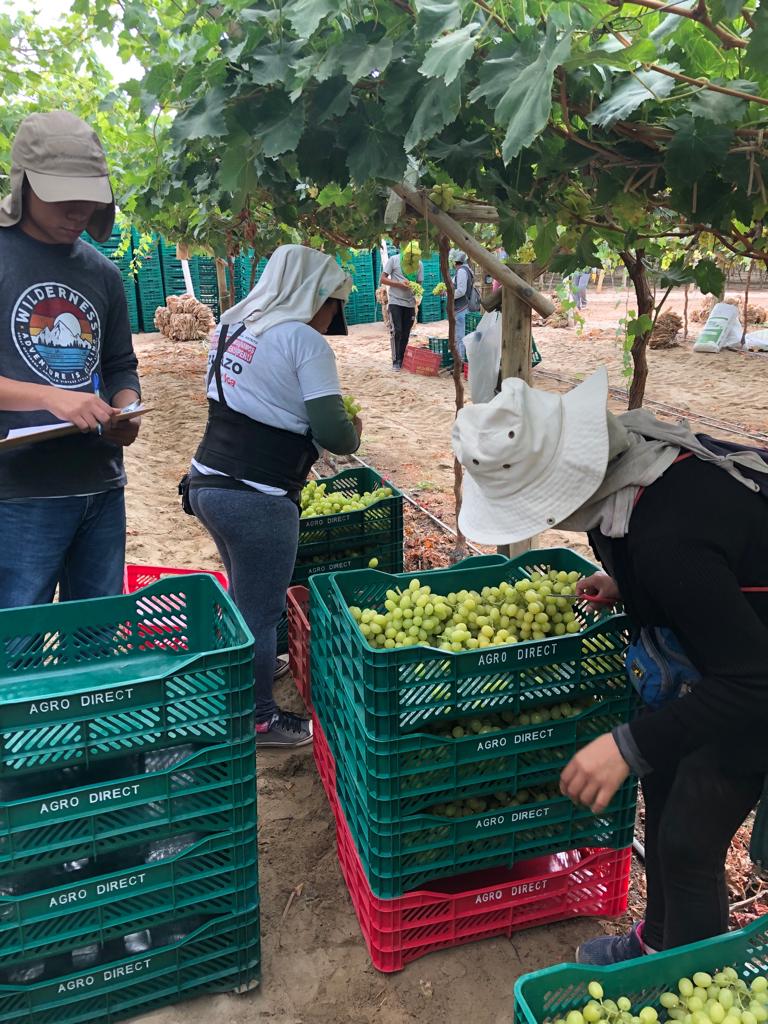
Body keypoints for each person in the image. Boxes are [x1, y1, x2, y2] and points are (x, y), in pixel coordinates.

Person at [452, 367, 768, 964]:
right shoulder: (631, 474)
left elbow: (753, 681)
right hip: (725, 645)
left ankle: (686, 985)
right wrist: (628, 584)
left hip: (751, 675)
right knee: (663, 792)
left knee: (688, 842)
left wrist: (626, 745)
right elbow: (707, 570)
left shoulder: (670, 536)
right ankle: (656, 944)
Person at [184, 245, 362, 749]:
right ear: (315, 295)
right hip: (257, 497)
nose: (333, 317)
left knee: (244, 598)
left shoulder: (231, 326)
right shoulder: (302, 341)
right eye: (333, 304)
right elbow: (335, 434)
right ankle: (260, 719)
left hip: (207, 483)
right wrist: (355, 428)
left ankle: (248, 674)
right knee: (260, 613)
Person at [0, 111, 141, 608]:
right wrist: (51, 397)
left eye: (89, 197)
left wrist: (126, 408)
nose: (78, 211)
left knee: (99, 629)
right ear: (24, 185)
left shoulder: (102, 273)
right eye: (62, 197)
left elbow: (120, 364)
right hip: (19, 492)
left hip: (99, 482)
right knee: (19, 636)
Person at [379, 241, 423, 370]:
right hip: (395, 301)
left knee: (406, 332)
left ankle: (402, 358)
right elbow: (382, 279)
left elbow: (419, 284)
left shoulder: (419, 264)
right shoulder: (394, 260)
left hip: (410, 303)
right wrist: (398, 284)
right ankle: (396, 360)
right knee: (397, 330)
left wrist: (414, 287)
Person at [451, 250, 475, 363]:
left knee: (459, 336)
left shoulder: (461, 271)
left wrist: (448, 294)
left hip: (461, 308)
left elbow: (461, 290)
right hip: (464, 306)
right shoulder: (468, 270)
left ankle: (460, 361)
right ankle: (461, 360)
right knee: (460, 335)